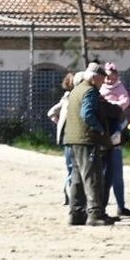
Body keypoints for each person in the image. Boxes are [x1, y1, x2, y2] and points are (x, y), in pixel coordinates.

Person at [62, 62, 117, 226]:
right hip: (87, 140)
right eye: (101, 79)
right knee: (93, 177)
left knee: (77, 179)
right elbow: (87, 114)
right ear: (94, 78)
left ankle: (76, 214)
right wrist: (100, 130)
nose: (102, 83)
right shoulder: (90, 91)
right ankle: (95, 214)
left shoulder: (75, 90)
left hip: (72, 139)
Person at [100, 62, 130, 217]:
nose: (109, 79)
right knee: (102, 174)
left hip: (116, 126)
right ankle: (100, 207)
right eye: (106, 76)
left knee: (116, 175)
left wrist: (112, 105)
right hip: (103, 133)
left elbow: (124, 102)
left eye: (111, 76)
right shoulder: (100, 89)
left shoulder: (120, 88)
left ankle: (121, 205)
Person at [47, 73, 76, 203]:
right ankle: (70, 194)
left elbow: (51, 113)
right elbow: (51, 113)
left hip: (68, 136)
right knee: (72, 167)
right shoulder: (69, 98)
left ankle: (67, 192)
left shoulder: (65, 98)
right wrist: (60, 122)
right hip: (70, 136)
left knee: (71, 167)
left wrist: (58, 122)